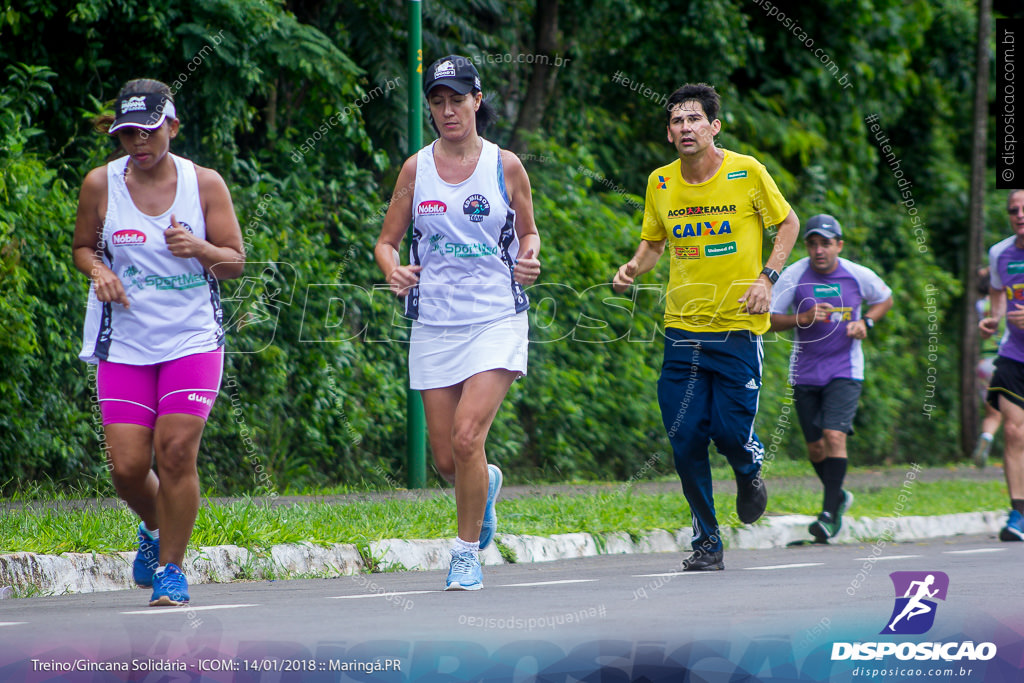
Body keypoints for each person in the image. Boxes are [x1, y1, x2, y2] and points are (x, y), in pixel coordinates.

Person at [612, 83, 799, 571]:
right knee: (686, 436)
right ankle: (707, 542)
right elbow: (654, 243)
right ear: (669, 132)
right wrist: (633, 267)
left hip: (738, 328)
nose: (685, 127)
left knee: (729, 430)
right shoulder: (661, 183)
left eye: (694, 119)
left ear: (714, 126)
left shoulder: (747, 172)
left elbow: (789, 224)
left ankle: (748, 464)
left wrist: (767, 278)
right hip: (683, 330)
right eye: (677, 120)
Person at [73, 79, 245, 605]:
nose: (138, 144)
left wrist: (198, 247)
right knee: (127, 469)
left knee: (174, 452)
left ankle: (171, 567)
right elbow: (82, 247)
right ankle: (154, 531)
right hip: (123, 341)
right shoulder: (101, 185)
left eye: (148, 132)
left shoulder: (205, 184)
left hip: (191, 339)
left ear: (172, 126)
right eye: (127, 134)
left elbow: (236, 263)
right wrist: (98, 271)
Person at [374, 55, 541, 590]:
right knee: (448, 457)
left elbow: (529, 233)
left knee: (468, 436)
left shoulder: (506, 165)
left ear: (477, 99)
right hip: (436, 321)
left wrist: (530, 258)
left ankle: (465, 553)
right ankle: (485, 486)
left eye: (457, 99)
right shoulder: (414, 169)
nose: (447, 110)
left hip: (496, 314)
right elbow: (386, 243)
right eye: (438, 102)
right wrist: (393, 270)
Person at [769, 214, 893, 542]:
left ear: (839, 245)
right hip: (805, 371)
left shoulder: (857, 274)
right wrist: (802, 317)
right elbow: (767, 320)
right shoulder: (794, 275)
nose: (819, 250)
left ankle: (827, 515)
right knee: (815, 448)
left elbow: (885, 298)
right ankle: (838, 495)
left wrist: (866, 322)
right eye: (812, 244)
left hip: (845, 369)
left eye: (826, 243)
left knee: (834, 435)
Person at [979, 188, 1024, 542]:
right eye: (1013, 210)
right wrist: (993, 320)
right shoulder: (1000, 254)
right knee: (1012, 431)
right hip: (1013, 354)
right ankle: (1018, 514)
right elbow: (997, 296)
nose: (1019, 215)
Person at [973, 266, 1003, 467]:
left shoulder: (980, 305)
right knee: (1017, 413)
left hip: (985, 363)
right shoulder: (1011, 303)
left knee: (993, 413)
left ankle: (987, 436)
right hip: (1010, 361)